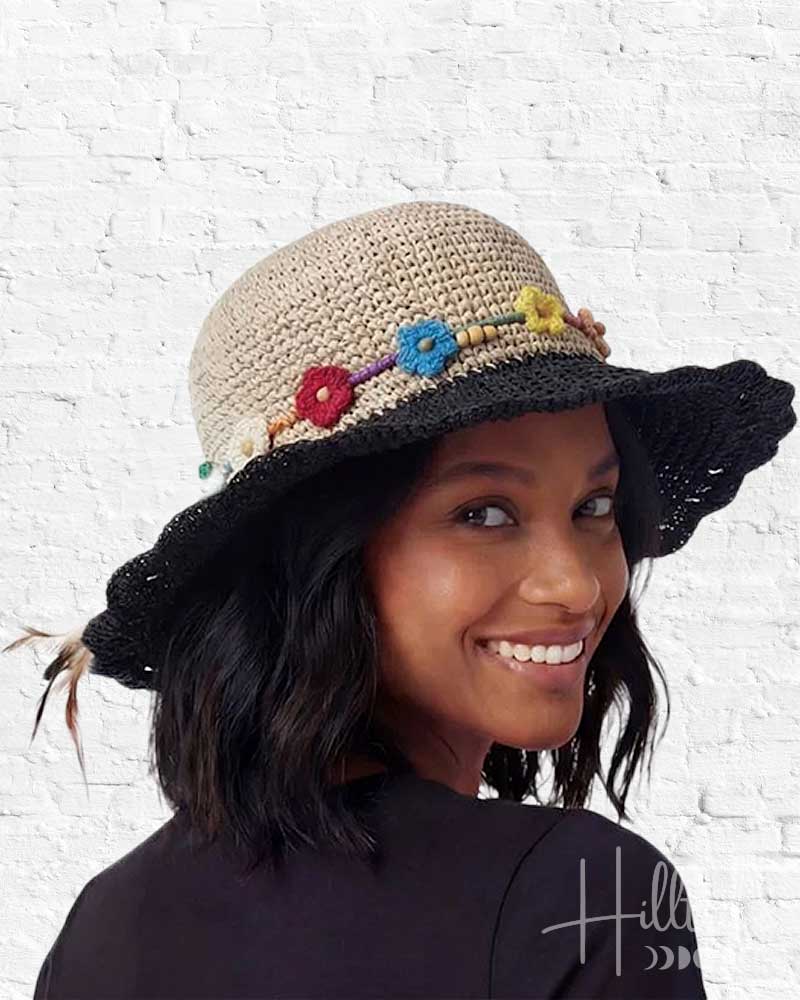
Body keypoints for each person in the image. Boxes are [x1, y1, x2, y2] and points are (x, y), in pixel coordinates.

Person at [8, 200, 795, 998]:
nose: (577, 584)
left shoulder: (103, 924)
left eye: (593, 508)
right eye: (483, 513)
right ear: (317, 562)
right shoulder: (581, 896)